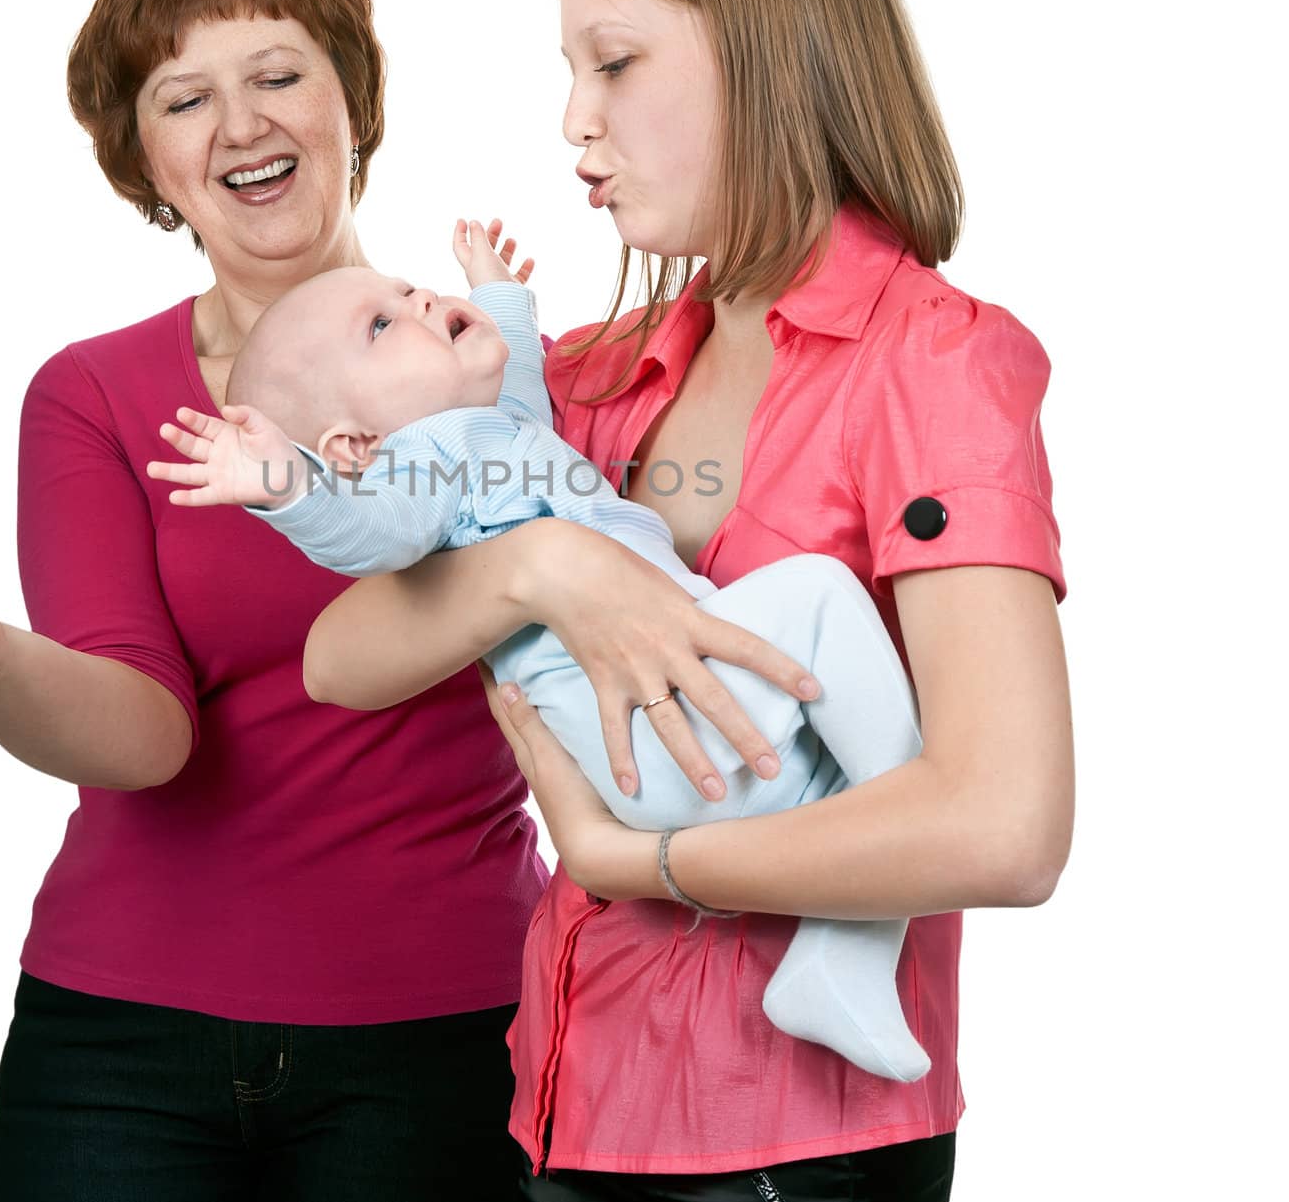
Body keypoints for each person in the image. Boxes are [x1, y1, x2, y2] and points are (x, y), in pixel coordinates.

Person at [0, 0, 702, 1201]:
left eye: (278, 75)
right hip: (117, 1043)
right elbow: (144, 732)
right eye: (185, 97)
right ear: (146, 161)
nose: (241, 125)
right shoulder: (93, 393)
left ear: (351, 106)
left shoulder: (504, 373)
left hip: (436, 1032)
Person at [304, 0, 1073, 1199]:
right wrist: (544, 560)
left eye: (612, 64)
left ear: (770, 60)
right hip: (567, 1094)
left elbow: (1007, 824)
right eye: (568, 70)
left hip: (796, 1147)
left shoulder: (933, 366)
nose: (571, 120)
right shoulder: (594, 380)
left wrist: (634, 859)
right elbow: (344, 657)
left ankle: (849, 966)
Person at [147, 218, 929, 1081]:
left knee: (846, 787)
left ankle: (836, 959)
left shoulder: (497, 430)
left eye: (409, 290)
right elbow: (364, 533)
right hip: (648, 725)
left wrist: (497, 296)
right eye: (380, 325)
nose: (414, 298)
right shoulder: (418, 467)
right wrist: (289, 489)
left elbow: (511, 369)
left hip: (677, 725)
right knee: (827, 609)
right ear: (354, 447)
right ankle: (897, 865)